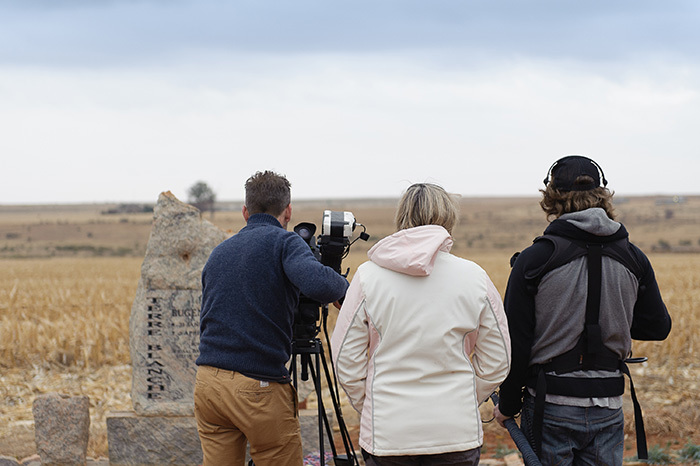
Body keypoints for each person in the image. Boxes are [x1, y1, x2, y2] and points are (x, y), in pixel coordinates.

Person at [493, 155, 672, 465]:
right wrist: (612, 316)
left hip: (549, 405)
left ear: (551, 199)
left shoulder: (535, 259)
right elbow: (658, 326)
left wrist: (508, 404)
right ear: (603, 195)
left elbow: (516, 343)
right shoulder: (633, 257)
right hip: (608, 404)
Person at [331, 183, 511, 466]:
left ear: (402, 217)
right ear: (449, 218)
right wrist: (463, 400)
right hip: (455, 433)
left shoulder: (367, 277)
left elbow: (345, 359)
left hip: (388, 435)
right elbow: (498, 360)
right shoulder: (475, 278)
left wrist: (372, 407)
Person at [194, 170, 349, 466]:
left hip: (208, 384)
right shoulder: (285, 243)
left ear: (245, 212)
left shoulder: (219, 252)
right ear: (288, 211)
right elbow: (320, 285)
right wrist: (347, 293)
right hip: (257, 386)